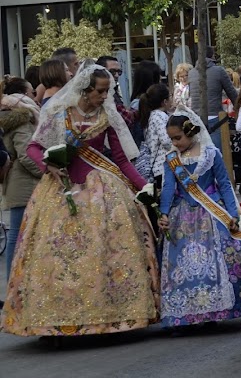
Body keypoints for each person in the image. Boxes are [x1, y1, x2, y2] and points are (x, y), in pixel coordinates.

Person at [2, 65, 159, 337]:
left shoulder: (107, 117)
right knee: (56, 257)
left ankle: (107, 317)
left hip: (100, 191)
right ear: (85, 91)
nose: (104, 96)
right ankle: (56, 319)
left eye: (107, 91)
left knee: (105, 253)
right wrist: (48, 167)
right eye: (100, 91)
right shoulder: (57, 113)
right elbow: (33, 148)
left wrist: (144, 187)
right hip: (60, 191)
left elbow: (120, 160)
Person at [158, 109, 241, 330]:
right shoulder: (171, 159)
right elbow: (169, 187)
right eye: (171, 139)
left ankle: (214, 309)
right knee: (182, 263)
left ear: (190, 132)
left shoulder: (211, 153)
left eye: (178, 138)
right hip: (182, 216)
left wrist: (233, 215)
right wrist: (164, 213)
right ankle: (188, 312)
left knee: (218, 258)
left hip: (211, 210)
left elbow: (225, 184)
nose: (175, 143)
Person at [0, 77, 42, 279]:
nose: (35, 96)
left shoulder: (10, 116)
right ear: (24, 95)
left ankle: (14, 283)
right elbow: (26, 154)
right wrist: (45, 171)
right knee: (18, 233)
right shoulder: (23, 118)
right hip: (24, 182)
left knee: (18, 234)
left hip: (16, 182)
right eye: (32, 92)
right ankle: (12, 284)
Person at [189, 47, 238, 152]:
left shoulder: (191, 73)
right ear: (212, 56)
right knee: (217, 154)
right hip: (215, 118)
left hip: (195, 118)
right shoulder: (219, 71)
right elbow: (232, 93)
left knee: (200, 154)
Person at [135, 83, 172, 187]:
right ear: (165, 101)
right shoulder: (159, 116)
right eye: (170, 96)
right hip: (164, 166)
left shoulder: (150, 116)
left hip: (157, 168)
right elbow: (166, 140)